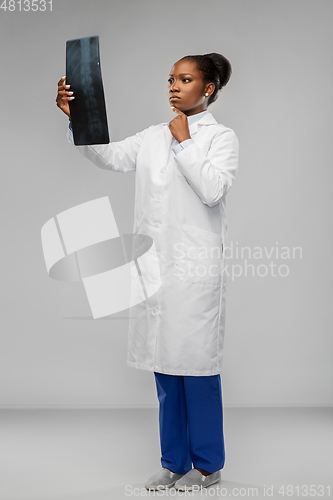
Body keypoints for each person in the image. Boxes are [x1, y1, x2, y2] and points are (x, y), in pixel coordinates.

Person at [56, 52, 239, 492]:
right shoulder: (154, 136)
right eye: (171, 79)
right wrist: (76, 117)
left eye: (186, 79)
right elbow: (109, 156)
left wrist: (186, 142)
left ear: (208, 88)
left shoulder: (221, 137)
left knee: (196, 370)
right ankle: (174, 461)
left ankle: (209, 465)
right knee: (164, 367)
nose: (174, 86)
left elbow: (213, 190)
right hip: (156, 271)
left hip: (195, 272)